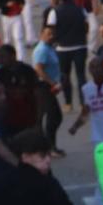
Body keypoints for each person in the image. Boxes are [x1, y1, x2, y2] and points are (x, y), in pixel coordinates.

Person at [47, 0, 89, 111]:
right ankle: (82, 102)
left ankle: (68, 103)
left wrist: (54, 41)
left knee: (64, 75)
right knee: (81, 75)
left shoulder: (55, 11)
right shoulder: (80, 9)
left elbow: (51, 29)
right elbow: (86, 25)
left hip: (62, 47)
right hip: (80, 46)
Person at [67, 57, 103, 145]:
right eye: (92, 67)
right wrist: (75, 126)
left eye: (98, 67)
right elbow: (85, 113)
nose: (96, 70)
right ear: (89, 70)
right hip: (98, 138)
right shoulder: (86, 89)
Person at [31, 26, 65, 154]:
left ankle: (48, 146)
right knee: (54, 117)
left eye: (53, 34)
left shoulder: (50, 48)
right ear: (41, 35)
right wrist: (53, 83)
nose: (51, 36)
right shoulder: (42, 50)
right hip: (43, 87)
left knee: (48, 117)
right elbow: (39, 69)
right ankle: (49, 147)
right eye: (48, 34)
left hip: (48, 86)